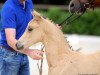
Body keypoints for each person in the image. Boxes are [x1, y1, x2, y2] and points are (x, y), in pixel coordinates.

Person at [0, 0, 43, 75]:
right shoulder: (9, 8)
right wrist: (29, 52)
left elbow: (36, 21)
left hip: (23, 53)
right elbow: (10, 40)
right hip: (9, 55)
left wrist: (52, 26)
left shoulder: (28, 2)